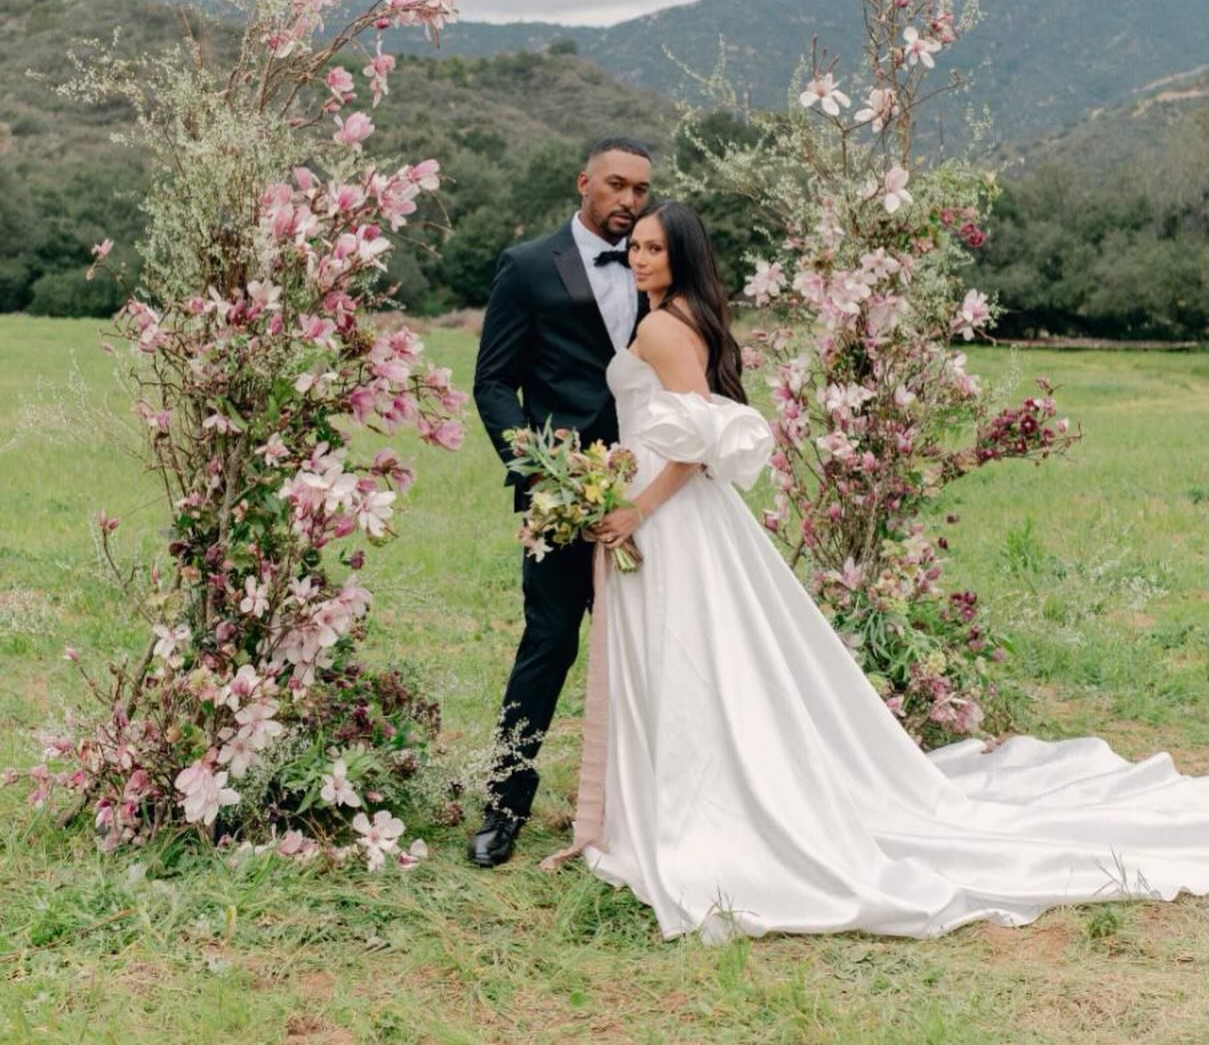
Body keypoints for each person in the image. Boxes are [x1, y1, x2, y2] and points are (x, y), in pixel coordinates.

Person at [546, 200, 1209, 940]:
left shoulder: (661, 327)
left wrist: (637, 509)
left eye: (653, 250)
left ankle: (690, 810)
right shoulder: (690, 318)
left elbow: (696, 437)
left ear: (682, 257)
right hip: (674, 506)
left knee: (681, 654)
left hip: (666, 513)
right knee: (698, 655)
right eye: (633, 248)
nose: (638, 260)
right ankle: (674, 795)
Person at [468, 136, 653, 867]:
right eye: (616, 186)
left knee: (651, 646)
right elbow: (492, 383)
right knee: (547, 645)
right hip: (559, 497)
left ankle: (648, 808)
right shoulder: (525, 267)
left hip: (644, 494)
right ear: (584, 183)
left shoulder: (657, 265)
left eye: (640, 190)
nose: (629, 203)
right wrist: (542, 468)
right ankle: (503, 806)